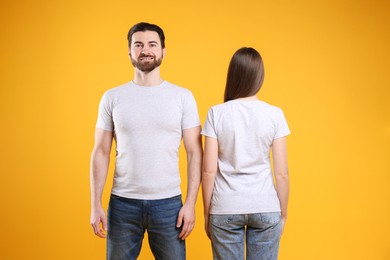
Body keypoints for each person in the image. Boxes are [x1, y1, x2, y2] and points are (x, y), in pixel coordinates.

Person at [90, 22, 202, 260]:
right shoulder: (112, 97)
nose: (145, 50)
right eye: (138, 44)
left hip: (169, 205)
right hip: (122, 204)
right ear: (129, 51)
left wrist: (190, 203)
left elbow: (195, 152)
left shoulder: (183, 97)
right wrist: (95, 204)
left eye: (152, 44)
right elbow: (100, 151)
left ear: (163, 51)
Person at [201, 47, 290, 260]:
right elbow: (282, 174)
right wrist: (283, 214)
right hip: (265, 206)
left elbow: (208, 171)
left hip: (225, 207)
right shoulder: (275, 114)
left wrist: (207, 213)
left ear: (233, 75)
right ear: (259, 76)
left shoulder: (216, 113)